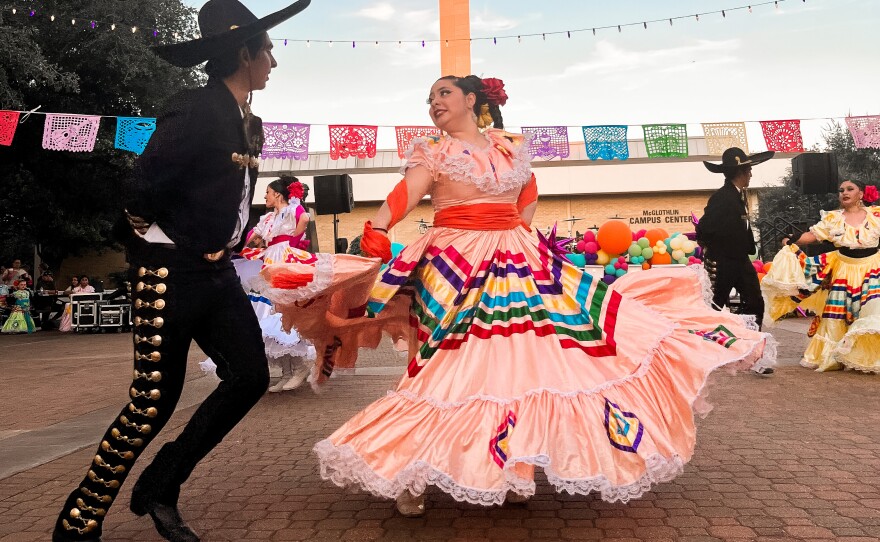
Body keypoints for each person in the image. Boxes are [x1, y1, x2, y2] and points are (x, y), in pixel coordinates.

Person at [256, 75, 775, 517]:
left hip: (520, 259)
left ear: (472, 102)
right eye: (429, 98)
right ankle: (408, 474)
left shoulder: (509, 146)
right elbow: (402, 197)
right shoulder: (433, 152)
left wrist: (514, 234)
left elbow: (527, 198)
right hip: (457, 262)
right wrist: (376, 229)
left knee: (531, 360)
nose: (434, 103)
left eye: (444, 94)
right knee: (449, 363)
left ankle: (513, 464)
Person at [51, 2, 312, 541]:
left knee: (250, 377)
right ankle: (79, 519)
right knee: (152, 400)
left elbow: (229, 199)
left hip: (218, 276)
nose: (273, 63)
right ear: (244, 53)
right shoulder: (193, 108)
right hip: (169, 273)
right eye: (267, 51)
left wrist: (222, 245)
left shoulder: (249, 122)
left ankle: (162, 484)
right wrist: (172, 242)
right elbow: (141, 188)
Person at [764, 179, 880, 372]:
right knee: (837, 316)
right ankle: (836, 356)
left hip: (873, 269)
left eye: (850, 189)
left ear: (861, 194)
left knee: (874, 311)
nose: (844, 193)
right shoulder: (833, 218)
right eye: (841, 190)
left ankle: (869, 356)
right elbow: (813, 236)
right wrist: (791, 240)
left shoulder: (876, 214)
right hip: (844, 269)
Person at [696, 147, 775, 376]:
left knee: (754, 303)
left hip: (740, 260)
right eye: (749, 170)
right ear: (740, 172)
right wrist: (719, 249)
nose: (751, 174)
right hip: (724, 261)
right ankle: (705, 355)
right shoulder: (722, 197)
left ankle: (753, 355)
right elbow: (704, 229)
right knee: (714, 307)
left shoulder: (737, 195)